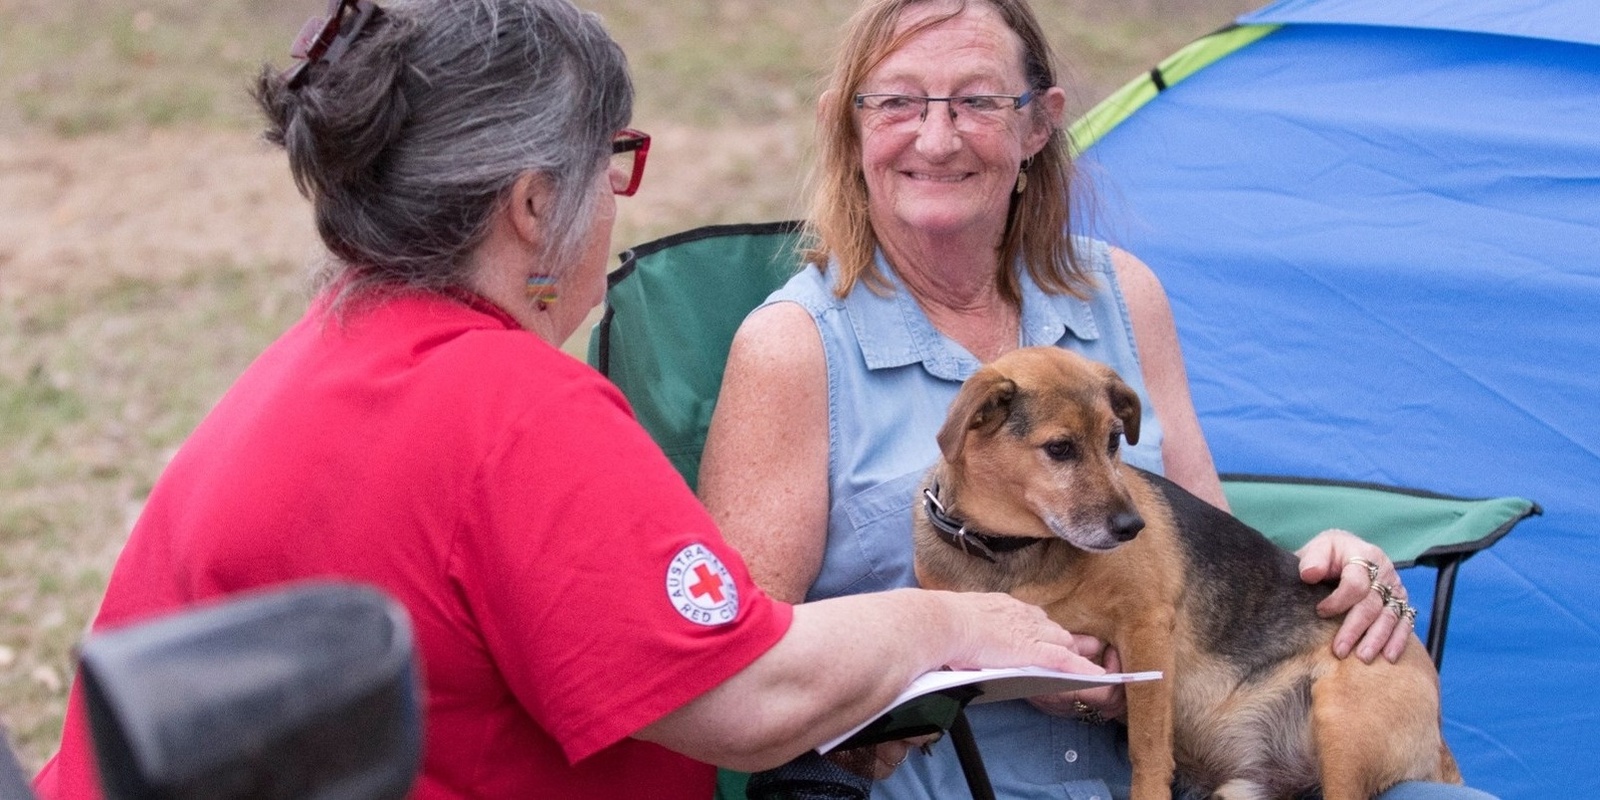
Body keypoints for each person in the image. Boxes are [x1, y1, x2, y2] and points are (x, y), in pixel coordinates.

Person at [29, 1, 1106, 798]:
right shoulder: (509, 406)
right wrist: (951, 619)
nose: (614, 203)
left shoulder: (339, 345)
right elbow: (745, 695)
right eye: (613, 161)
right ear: (535, 201)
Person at [698, 1, 1495, 798]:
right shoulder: (795, 347)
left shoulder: (1120, 294)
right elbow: (736, 666)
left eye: (978, 101)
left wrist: (1335, 569)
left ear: (1038, 126)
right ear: (849, 125)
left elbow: (1206, 554)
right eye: (897, 101)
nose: (935, 138)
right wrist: (957, 646)